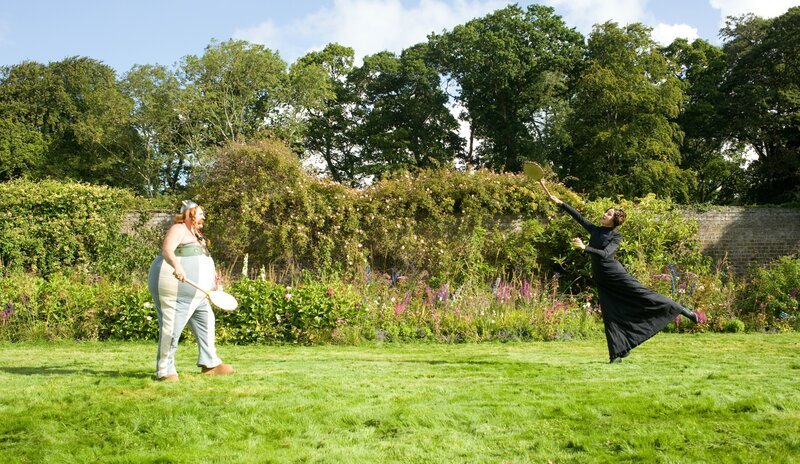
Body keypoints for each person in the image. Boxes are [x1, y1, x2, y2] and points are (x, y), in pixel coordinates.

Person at [540, 180, 702, 363]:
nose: (604, 214)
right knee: (611, 314)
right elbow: (578, 217)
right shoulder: (595, 230)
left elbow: (606, 254)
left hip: (615, 275)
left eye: (608, 214)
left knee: (645, 295)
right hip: (602, 280)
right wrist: (560, 203)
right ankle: (619, 352)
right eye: (605, 212)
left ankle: (681, 309)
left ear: (614, 220)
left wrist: (585, 248)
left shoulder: (616, 236)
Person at [148, 200, 234, 381]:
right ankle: (164, 370)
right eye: (201, 213)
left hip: (199, 293)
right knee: (172, 328)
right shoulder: (178, 229)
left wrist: (212, 281)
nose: (204, 217)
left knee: (207, 322)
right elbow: (167, 250)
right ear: (190, 214)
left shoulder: (196, 234)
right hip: (176, 290)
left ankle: (210, 363)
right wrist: (177, 267)